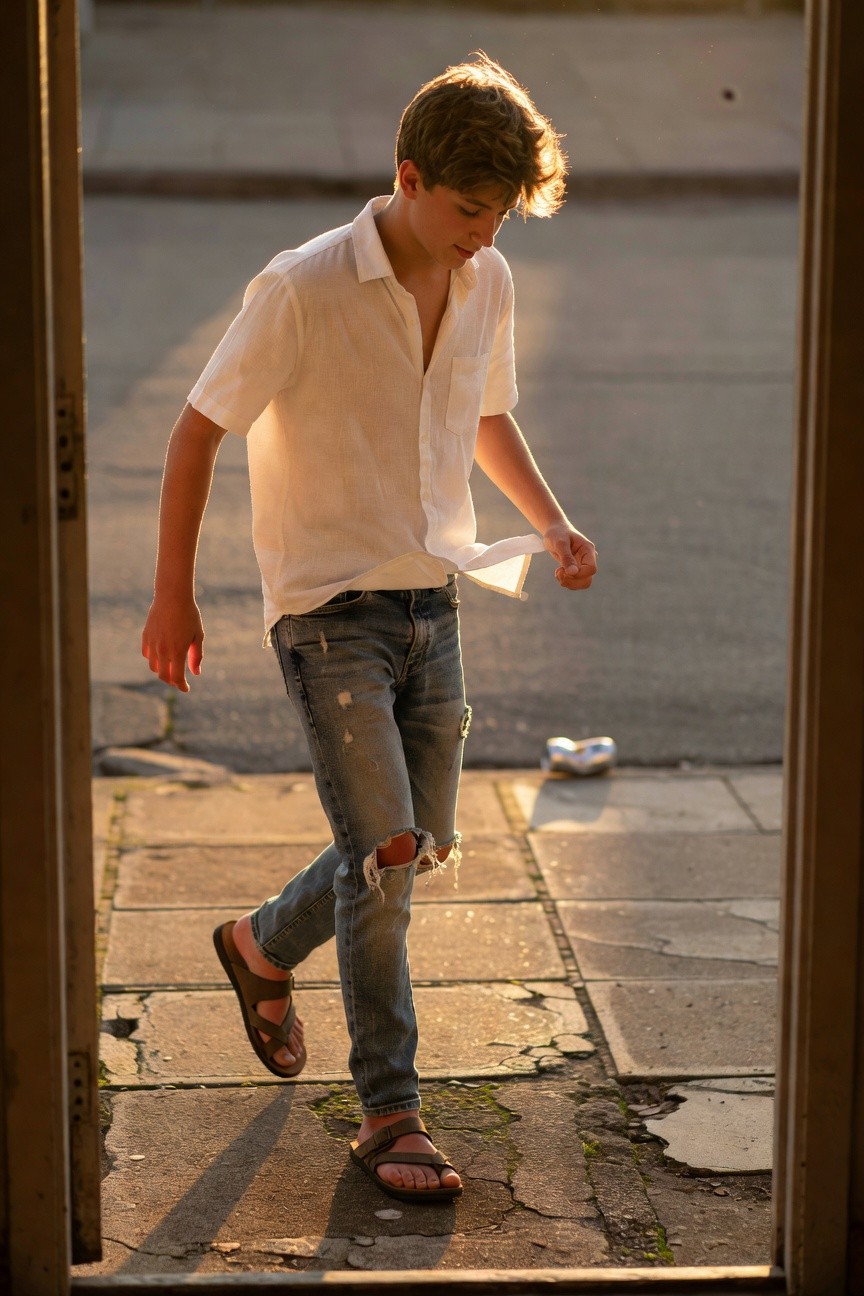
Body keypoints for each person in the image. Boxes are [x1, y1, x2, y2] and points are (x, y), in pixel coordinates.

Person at [141, 52, 597, 1205]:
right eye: (467, 210)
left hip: (434, 603)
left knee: (411, 848)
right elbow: (196, 432)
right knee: (386, 857)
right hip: (327, 612)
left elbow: (487, 413)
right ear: (408, 175)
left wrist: (552, 522)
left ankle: (257, 947)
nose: (484, 238)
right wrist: (172, 593)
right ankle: (391, 1110)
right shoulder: (300, 288)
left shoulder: (481, 279)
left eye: (500, 218)